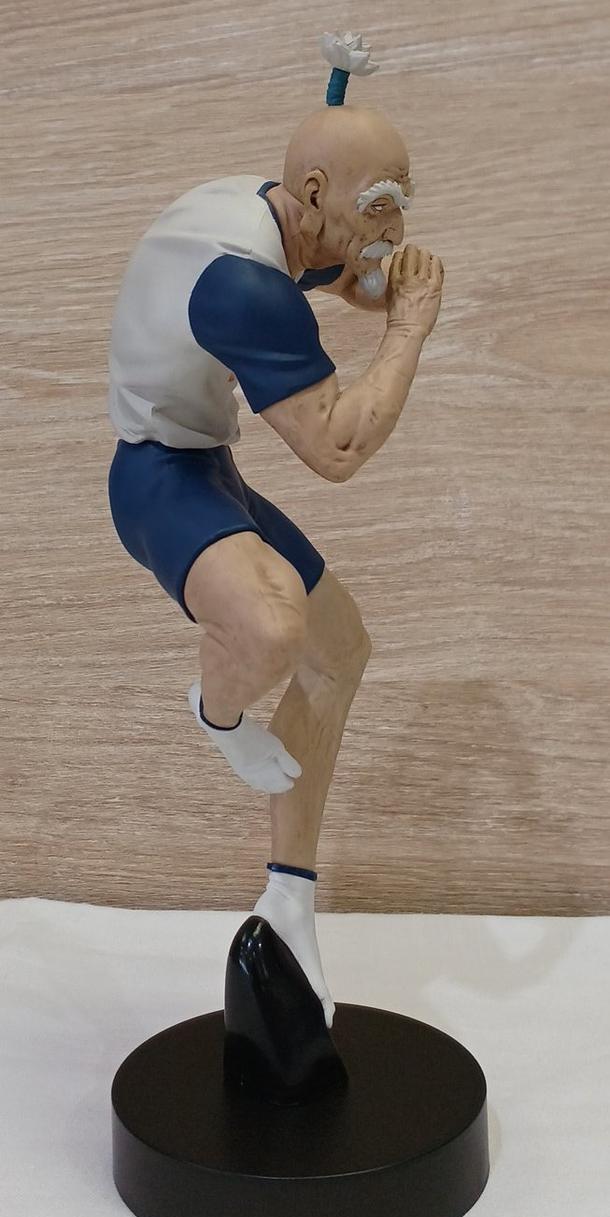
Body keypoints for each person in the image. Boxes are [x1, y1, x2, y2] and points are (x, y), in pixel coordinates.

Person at [107, 33, 444, 1030]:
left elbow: (334, 271)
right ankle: (215, 713)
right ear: (316, 190)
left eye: (403, 203)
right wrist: (407, 329)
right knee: (273, 626)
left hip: (204, 463)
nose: (395, 229)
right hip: (156, 478)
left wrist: (369, 262)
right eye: (381, 206)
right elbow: (336, 448)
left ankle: (289, 897)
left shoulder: (265, 211)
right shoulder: (242, 284)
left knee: (340, 653)